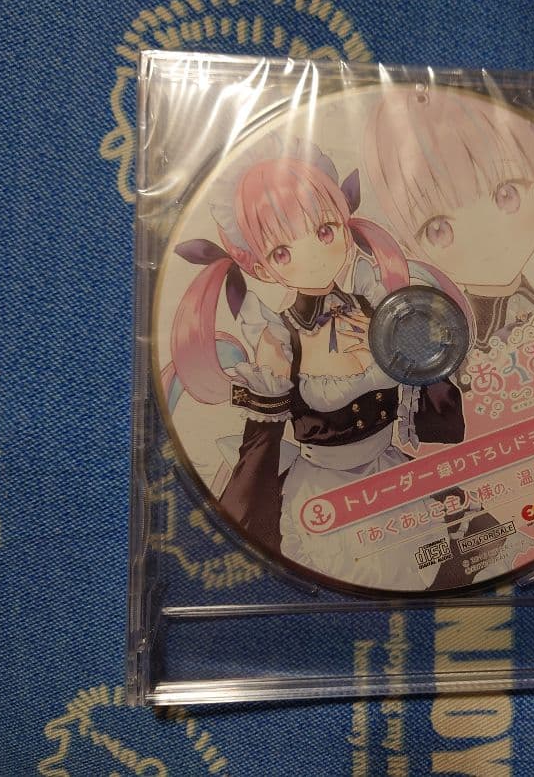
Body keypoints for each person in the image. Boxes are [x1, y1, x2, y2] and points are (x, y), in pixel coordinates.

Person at [166, 143, 466, 590]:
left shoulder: (376, 307)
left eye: (325, 231)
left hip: (393, 475)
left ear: (344, 222)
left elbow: (447, 424)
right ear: (262, 268)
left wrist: (406, 347)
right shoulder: (279, 340)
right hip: (326, 495)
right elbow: (261, 449)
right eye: (282, 252)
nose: (313, 255)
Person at [362, 87, 534, 351]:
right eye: (439, 229)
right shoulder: (457, 341)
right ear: (409, 246)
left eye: (506, 194)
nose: (486, 235)